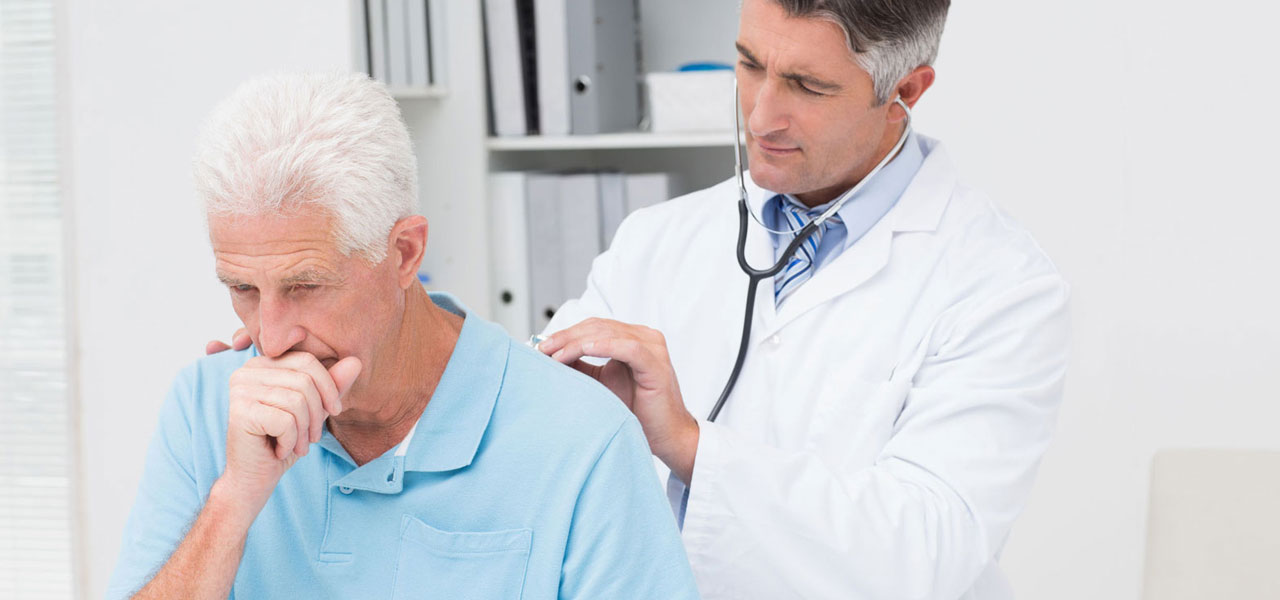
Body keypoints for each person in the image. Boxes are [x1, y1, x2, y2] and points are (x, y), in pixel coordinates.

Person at [537, 0, 1069, 598]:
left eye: (808, 86)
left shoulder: (1001, 286)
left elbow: (928, 549)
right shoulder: (656, 239)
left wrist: (689, 446)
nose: (761, 116)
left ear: (906, 91)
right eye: (748, 64)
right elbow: (543, 434)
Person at [107, 72, 698, 600]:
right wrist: (233, 502)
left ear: (405, 253)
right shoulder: (204, 408)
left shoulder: (579, 436)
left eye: (305, 286)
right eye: (243, 288)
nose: (273, 337)